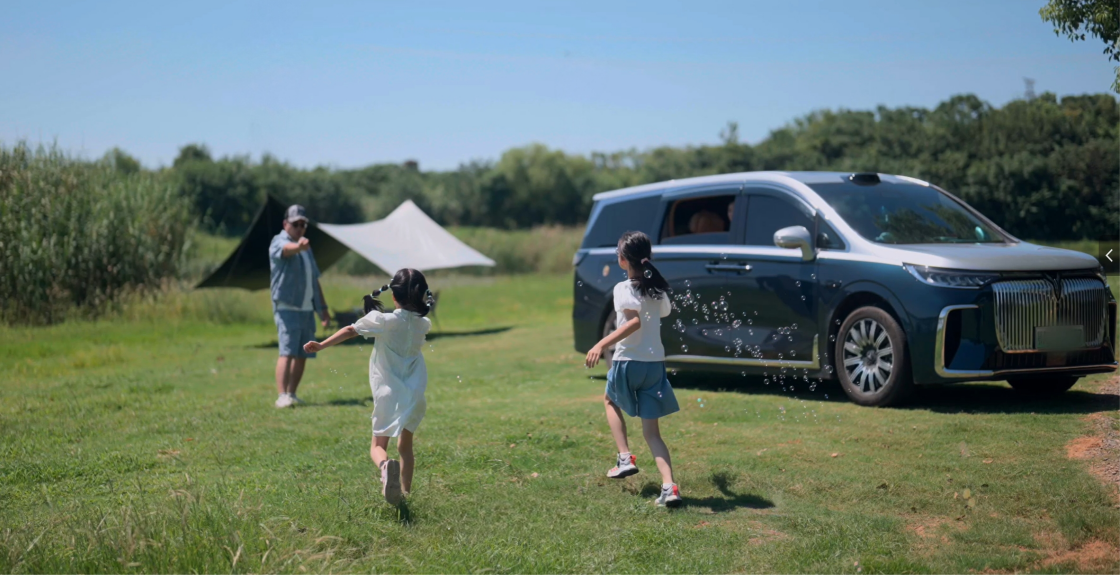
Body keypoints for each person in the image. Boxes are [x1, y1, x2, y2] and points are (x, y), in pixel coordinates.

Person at [304, 269, 432, 505]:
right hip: (414, 395)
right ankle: (405, 494)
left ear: (393, 296)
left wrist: (322, 345)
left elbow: (350, 330)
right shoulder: (423, 324)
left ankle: (385, 468)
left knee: (377, 447)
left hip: (388, 394)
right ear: (421, 295)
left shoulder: (384, 321)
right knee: (406, 447)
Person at [584, 231, 682, 508]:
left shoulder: (622, 288)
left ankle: (625, 458)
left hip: (628, 362)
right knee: (652, 433)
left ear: (624, 260)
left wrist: (601, 344)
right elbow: (663, 312)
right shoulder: (657, 290)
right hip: (654, 366)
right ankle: (670, 487)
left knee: (609, 400)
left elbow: (633, 322)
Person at [268, 205, 330, 409]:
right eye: (296, 224)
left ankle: (292, 394)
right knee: (287, 352)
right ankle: (281, 396)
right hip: (287, 307)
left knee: (304, 352)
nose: (300, 228)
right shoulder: (279, 241)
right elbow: (285, 251)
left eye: (303, 224)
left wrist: (322, 309)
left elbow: (314, 279)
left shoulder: (306, 248)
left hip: (306, 309)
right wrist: (299, 247)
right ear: (285, 224)